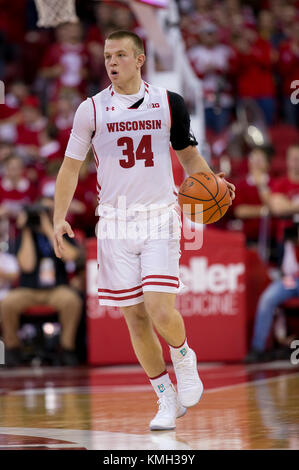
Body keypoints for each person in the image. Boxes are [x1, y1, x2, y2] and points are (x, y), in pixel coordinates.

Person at [53, 30, 235, 431]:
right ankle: (165, 397)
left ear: (139, 60)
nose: (111, 62)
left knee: (159, 309)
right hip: (115, 222)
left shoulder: (169, 103)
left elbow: (188, 155)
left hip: (159, 216)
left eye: (120, 55)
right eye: (106, 56)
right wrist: (58, 217)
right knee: (134, 319)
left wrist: (213, 183)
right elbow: (70, 167)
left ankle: (184, 357)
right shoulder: (91, 110)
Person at [1, 197, 83, 367]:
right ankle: (13, 348)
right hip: (29, 290)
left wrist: (49, 229)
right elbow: (27, 265)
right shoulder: (24, 234)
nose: (42, 215)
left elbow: (72, 256)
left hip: (56, 289)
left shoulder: (62, 232)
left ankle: (67, 348)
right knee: (7, 303)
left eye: (47, 211)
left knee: (71, 301)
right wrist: (27, 230)